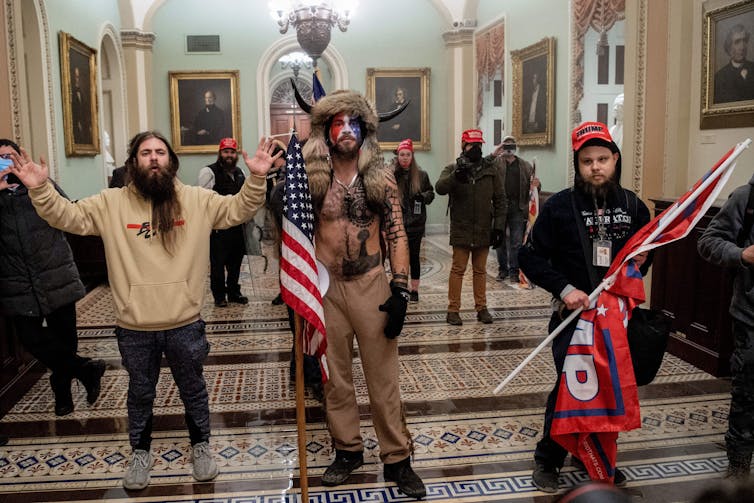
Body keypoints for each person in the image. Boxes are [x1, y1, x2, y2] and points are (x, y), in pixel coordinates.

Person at [7, 130, 280, 491]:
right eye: (146, 152)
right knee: (140, 392)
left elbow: (238, 209)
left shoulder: (197, 200)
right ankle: (140, 451)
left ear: (171, 161)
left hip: (185, 321)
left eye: (160, 152)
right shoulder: (110, 203)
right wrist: (40, 189)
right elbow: (68, 217)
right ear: (133, 162)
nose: (154, 158)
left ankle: (201, 446)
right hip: (135, 325)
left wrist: (257, 177)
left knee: (193, 388)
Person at [302, 90, 426, 499]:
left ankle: (397, 459)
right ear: (326, 130)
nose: (346, 129)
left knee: (383, 377)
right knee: (335, 378)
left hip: (370, 283)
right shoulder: (311, 176)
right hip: (325, 287)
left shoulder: (381, 177)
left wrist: (401, 289)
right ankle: (348, 450)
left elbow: (396, 232)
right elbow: (293, 230)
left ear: (364, 130)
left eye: (353, 122)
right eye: (338, 123)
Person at [518, 122, 651, 493]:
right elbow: (528, 257)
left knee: (608, 389)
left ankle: (592, 453)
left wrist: (638, 268)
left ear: (615, 160)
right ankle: (549, 457)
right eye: (587, 160)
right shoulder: (559, 207)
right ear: (577, 164)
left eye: (603, 159)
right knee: (571, 387)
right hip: (572, 319)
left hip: (616, 322)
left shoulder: (633, 206)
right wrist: (565, 289)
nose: (596, 167)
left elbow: (645, 253)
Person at [0, 138, 106, 417]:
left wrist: (41, 185)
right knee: (31, 338)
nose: (7, 163)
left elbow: (65, 214)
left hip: (55, 273)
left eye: (10, 156)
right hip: (17, 282)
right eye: (0, 159)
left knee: (65, 339)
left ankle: (63, 394)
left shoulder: (39, 184)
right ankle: (86, 369)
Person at [698, 172, 754, 480]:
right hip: (750, 317)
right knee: (747, 393)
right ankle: (739, 464)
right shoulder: (746, 197)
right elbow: (708, 242)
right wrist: (741, 254)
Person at [435, 128, 506, 326]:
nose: (476, 148)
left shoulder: (491, 170)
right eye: (472, 145)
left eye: (479, 145)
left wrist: (499, 227)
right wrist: (456, 176)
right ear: (463, 146)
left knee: (480, 270)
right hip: (461, 228)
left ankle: (482, 308)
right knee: (458, 269)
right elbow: (439, 188)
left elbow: (500, 199)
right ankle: (453, 310)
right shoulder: (452, 169)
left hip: (484, 227)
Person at [198, 137, 249, 307]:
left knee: (236, 264)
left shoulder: (240, 172)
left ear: (236, 155)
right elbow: (204, 201)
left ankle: (234, 292)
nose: (229, 155)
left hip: (237, 228)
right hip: (218, 229)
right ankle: (219, 296)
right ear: (220, 153)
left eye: (232, 152)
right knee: (218, 265)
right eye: (226, 151)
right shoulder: (208, 172)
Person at [491, 135, 540, 282]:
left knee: (517, 242)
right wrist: (495, 152)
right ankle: (502, 270)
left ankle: (514, 271)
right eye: (506, 146)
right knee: (499, 241)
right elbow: (485, 168)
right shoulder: (495, 164)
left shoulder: (525, 166)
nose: (509, 149)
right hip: (499, 207)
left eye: (512, 146)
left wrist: (537, 184)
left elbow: (535, 187)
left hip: (517, 207)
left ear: (516, 147)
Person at [392, 138, 435, 302]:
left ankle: (415, 290)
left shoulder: (422, 175)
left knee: (414, 257)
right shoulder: (392, 175)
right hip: (398, 225)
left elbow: (431, 194)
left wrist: (422, 197)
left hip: (416, 225)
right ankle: (400, 287)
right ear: (398, 157)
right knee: (398, 258)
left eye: (407, 155)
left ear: (412, 156)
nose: (404, 158)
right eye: (402, 155)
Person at [714, 24, 754, 103]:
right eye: (737, 42)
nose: (742, 47)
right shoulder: (720, 77)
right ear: (729, 47)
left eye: (745, 41)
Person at [71, 66, 91, 145]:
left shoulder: (83, 94)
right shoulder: (71, 94)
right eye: (75, 77)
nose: (77, 80)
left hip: (84, 127)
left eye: (78, 77)